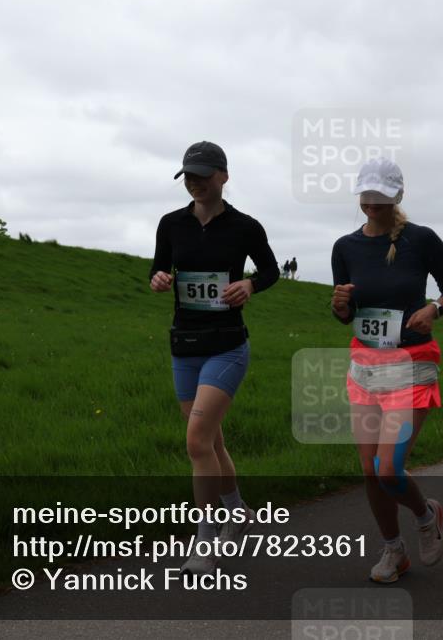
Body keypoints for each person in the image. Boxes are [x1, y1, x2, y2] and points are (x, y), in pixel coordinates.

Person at [149, 140, 279, 575]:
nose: (196, 183)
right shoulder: (171, 224)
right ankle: (237, 510)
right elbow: (157, 267)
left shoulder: (245, 227)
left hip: (226, 345)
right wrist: (160, 279)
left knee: (196, 442)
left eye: (204, 175)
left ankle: (205, 541)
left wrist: (250, 286)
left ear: (224, 176)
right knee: (212, 441)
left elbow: (271, 271)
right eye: (189, 175)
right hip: (184, 346)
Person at [330, 157, 443, 583]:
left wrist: (434, 309)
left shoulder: (421, 240)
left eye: (380, 196)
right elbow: (345, 312)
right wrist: (339, 307)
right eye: (366, 195)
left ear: (397, 196)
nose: (372, 203)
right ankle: (393, 551)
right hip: (365, 367)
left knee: (389, 469)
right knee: (370, 471)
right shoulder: (345, 247)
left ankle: (426, 518)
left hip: (411, 366)